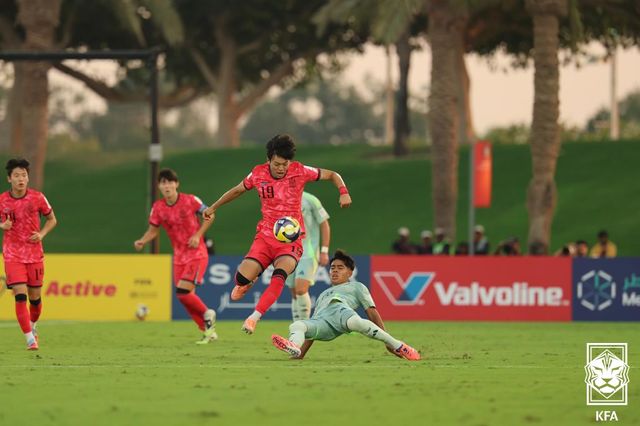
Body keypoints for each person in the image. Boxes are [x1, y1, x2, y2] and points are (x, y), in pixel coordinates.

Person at [202, 134, 352, 334]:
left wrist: (343, 191)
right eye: (277, 164)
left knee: (279, 276)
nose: (281, 168)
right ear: (268, 160)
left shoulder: (300, 171)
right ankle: (248, 281)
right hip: (264, 238)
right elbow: (237, 190)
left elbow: (333, 174)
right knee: (240, 279)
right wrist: (213, 207)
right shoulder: (258, 174)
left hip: (291, 242)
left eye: (285, 164)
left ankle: (253, 318)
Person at [271, 250, 420, 361]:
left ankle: (398, 345)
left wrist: (387, 341)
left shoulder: (357, 287)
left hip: (342, 312)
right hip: (323, 323)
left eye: (340, 267)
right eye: (332, 267)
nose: (335, 270)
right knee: (297, 325)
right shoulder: (323, 294)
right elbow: (313, 328)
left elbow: (371, 312)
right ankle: (295, 347)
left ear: (350, 272)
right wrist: (301, 355)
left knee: (356, 322)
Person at [134, 168, 217, 344]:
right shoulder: (158, 208)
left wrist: (198, 235)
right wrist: (142, 241)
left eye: (170, 182)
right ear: (159, 186)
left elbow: (210, 215)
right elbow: (153, 230)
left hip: (196, 253)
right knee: (183, 297)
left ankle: (207, 313)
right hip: (179, 257)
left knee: (183, 292)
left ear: (176, 184)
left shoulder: (191, 200)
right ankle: (207, 331)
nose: (167, 186)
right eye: (163, 183)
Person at [0, 158, 57, 350]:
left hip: (34, 254)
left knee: (35, 300)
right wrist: (2, 225)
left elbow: (52, 219)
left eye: (23, 175)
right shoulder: (2, 200)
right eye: (16, 175)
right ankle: (29, 339)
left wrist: (41, 234)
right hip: (12, 254)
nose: (20, 179)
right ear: (9, 179)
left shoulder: (38, 198)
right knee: (19, 295)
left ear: (28, 178)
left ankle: (33, 325)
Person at [285, 191, 330, 321]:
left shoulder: (310, 200)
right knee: (294, 292)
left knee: (301, 289)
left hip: (308, 251)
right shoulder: (280, 199)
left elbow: (324, 224)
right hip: (287, 253)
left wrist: (324, 250)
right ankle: (296, 327)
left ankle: (304, 327)